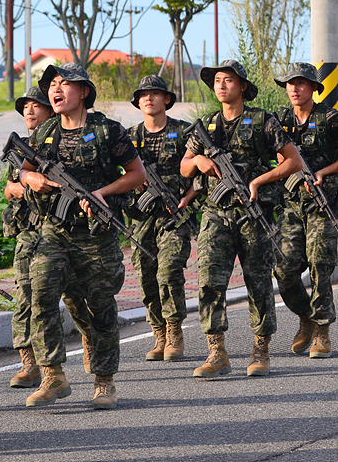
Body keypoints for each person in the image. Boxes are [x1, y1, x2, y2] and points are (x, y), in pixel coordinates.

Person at [19, 63, 145, 410]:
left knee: (100, 305)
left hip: (95, 234)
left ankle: (104, 380)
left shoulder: (108, 131)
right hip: (52, 230)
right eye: (51, 85)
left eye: (64, 84)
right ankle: (52, 374)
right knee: (41, 298)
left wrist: (103, 193)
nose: (55, 90)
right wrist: (31, 180)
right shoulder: (44, 131)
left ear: (84, 92)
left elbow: (136, 174)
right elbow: (21, 172)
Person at [181, 59, 301, 378]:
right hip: (215, 215)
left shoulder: (263, 120)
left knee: (257, 281)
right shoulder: (205, 125)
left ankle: (260, 349)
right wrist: (200, 161)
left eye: (229, 80)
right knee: (208, 280)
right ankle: (217, 352)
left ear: (243, 87)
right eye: (218, 80)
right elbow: (184, 166)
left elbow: (294, 162)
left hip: (254, 213)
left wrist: (259, 181)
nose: (221, 85)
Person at [3, 86, 93, 388]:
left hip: (61, 230)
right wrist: (31, 184)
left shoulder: (60, 143)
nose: (29, 111)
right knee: (27, 295)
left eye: (36, 106)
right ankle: (30, 363)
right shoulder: (22, 148)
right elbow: (10, 188)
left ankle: (89, 335)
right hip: (30, 232)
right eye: (25, 107)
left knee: (74, 295)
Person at [126, 75, 196, 362]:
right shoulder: (129, 137)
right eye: (143, 95)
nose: (148, 99)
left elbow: (199, 173)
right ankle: (158, 334)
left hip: (174, 216)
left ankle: (174, 330)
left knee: (169, 273)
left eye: (155, 94)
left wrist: (187, 198)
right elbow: (114, 172)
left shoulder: (182, 132)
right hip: (141, 218)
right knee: (145, 275)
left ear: (167, 99)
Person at [272, 63, 337, 358]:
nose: (295, 89)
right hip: (291, 205)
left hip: (323, 204)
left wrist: (323, 172)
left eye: (301, 83)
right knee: (284, 269)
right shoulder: (279, 120)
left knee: (320, 266)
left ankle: (322, 332)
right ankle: (306, 317)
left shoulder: (330, 118)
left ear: (313, 87)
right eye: (290, 84)